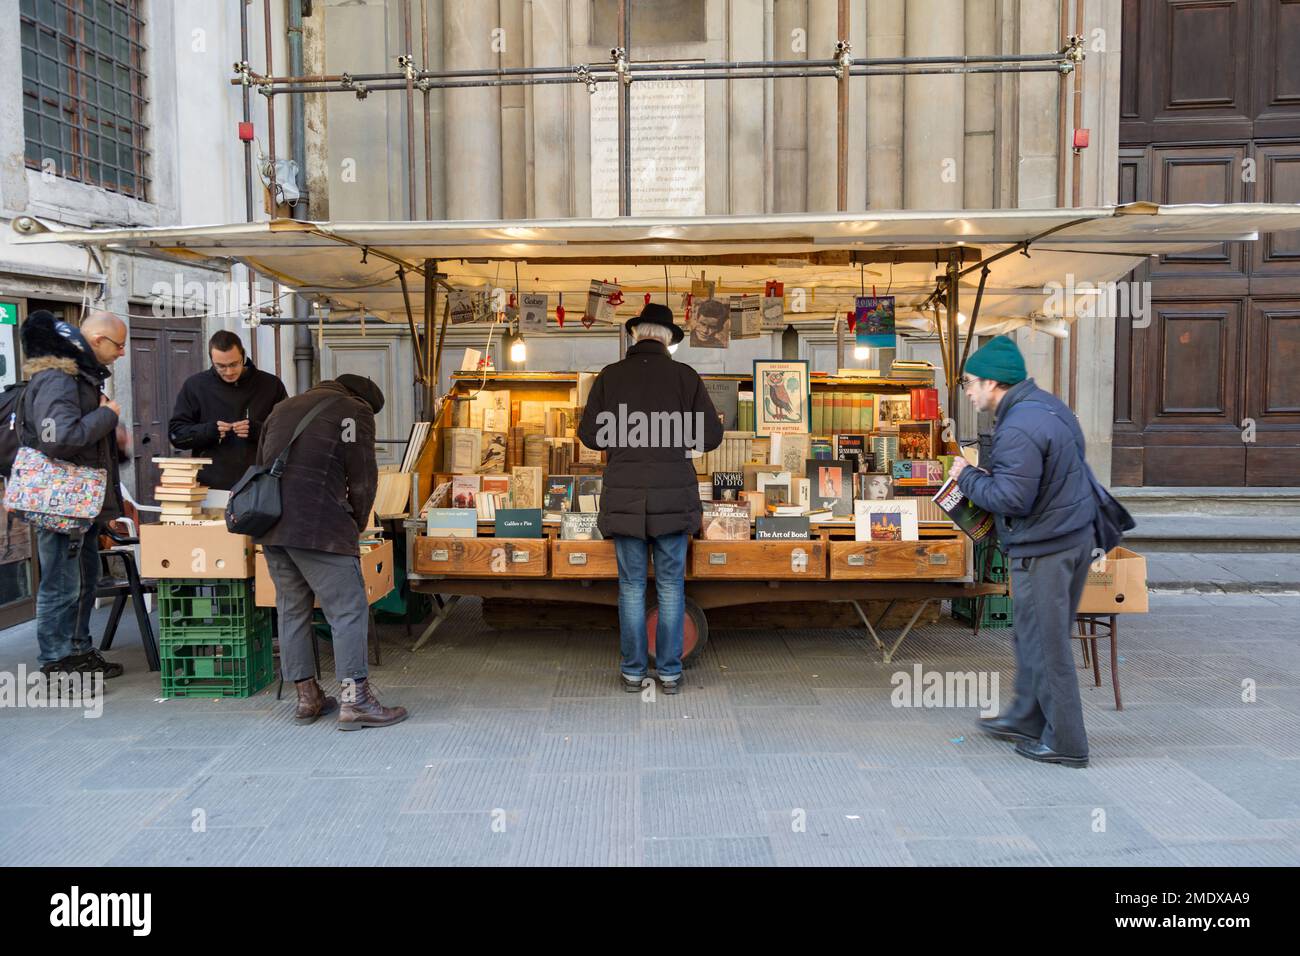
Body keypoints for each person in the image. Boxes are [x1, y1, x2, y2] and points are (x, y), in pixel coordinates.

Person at [950, 335, 1098, 768]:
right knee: (1033, 636)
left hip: (1046, 546)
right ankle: (1028, 719)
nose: (970, 392)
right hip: (1068, 537)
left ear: (994, 382)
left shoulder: (1018, 426)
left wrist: (967, 477)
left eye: (972, 383)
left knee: (1047, 644)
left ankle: (1067, 742)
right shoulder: (1049, 407)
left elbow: (1012, 497)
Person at [578, 304, 723, 695]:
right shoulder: (684, 377)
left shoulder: (610, 377)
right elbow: (710, 437)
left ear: (635, 335)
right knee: (672, 585)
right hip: (673, 497)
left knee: (629, 586)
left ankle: (632, 671)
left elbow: (590, 436)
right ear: (668, 340)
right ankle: (670, 672)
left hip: (624, 498)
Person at [255, 373, 407, 730]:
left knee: (292, 609)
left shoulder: (282, 408)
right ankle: (356, 702)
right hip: (319, 525)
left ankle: (307, 699)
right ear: (366, 403)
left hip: (273, 526)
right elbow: (363, 476)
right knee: (348, 609)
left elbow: (263, 463)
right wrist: (355, 523)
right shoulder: (354, 412)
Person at [20, 310, 128, 678]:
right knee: (61, 583)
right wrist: (107, 416)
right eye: (119, 345)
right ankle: (57, 659)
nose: (122, 353)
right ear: (97, 341)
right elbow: (59, 439)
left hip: (78, 504)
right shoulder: (59, 379)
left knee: (83, 579)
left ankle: (79, 651)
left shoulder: (79, 378)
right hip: (60, 504)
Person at [168, 330, 288, 490]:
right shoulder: (195, 386)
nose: (229, 372)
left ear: (243, 356)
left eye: (234, 364)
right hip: (210, 487)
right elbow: (177, 436)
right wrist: (208, 431)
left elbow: (287, 435)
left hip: (260, 486)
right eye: (221, 366)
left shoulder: (271, 385)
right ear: (212, 360)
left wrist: (259, 431)